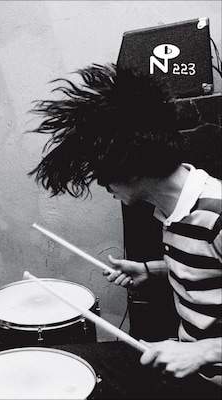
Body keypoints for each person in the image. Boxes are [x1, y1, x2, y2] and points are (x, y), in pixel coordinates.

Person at [28, 63, 221, 387]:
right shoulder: (175, 211)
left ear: (131, 164)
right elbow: (209, 270)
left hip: (208, 378)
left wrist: (200, 352)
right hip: (183, 363)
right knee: (58, 365)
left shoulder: (217, 216)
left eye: (104, 172)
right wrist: (152, 271)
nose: (103, 185)